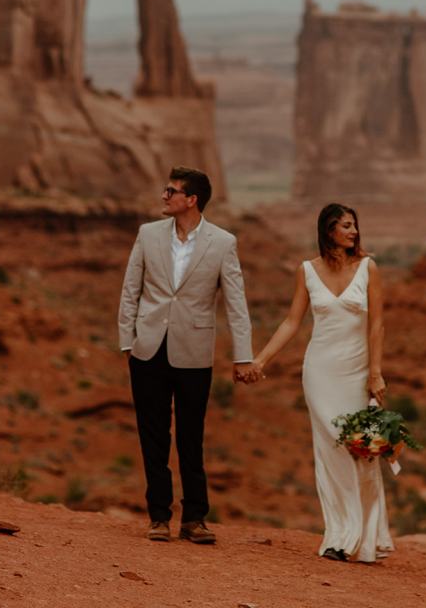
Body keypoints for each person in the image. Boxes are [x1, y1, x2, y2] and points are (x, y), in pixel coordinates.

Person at [118, 166, 256, 544]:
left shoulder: (223, 242)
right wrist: (127, 341)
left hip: (195, 352)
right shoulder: (148, 235)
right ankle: (159, 516)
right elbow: (131, 289)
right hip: (148, 348)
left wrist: (243, 356)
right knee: (153, 435)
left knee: (191, 436)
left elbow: (236, 303)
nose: (164, 196)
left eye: (171, 191)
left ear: (191, 200)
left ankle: (194, 518)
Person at [251, 203, 393, 563]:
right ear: (329, 230)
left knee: (361, 449)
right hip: (320, 372)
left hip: (358, 372)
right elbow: (291, 323)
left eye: (355, 226)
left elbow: (376, 324)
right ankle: (338, 536)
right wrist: (261, 359)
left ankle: (365, 538)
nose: (354, 232)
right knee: (331, 447)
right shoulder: (306, 271)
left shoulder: (368, 268)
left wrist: (376, 372)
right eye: (346, 226)